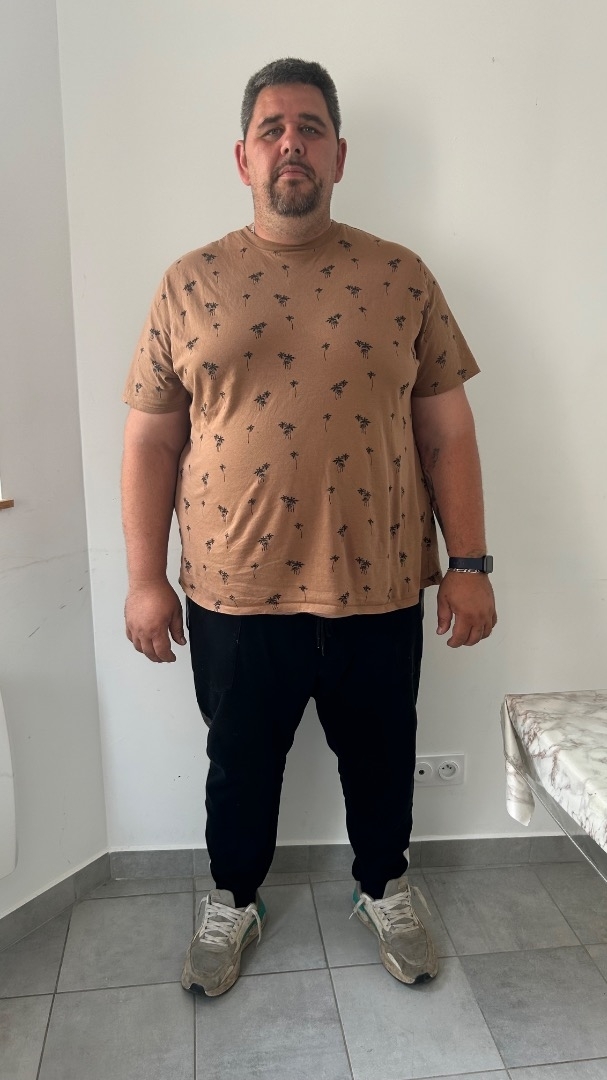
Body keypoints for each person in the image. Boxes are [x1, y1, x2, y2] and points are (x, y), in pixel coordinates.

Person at [121, 58, 497, 998]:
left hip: (377, 587)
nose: (292, 143)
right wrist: (144, 579)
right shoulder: (188, 282)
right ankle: (232, 900)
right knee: (238, 768)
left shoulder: (402, 276)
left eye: (311, 128)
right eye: (273, 128)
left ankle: (384, 888)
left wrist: (471, 562)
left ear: (338, 154)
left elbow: (447, 431)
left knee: (381, 759)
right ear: (243, 156)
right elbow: (150, 443)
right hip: (232, 594)